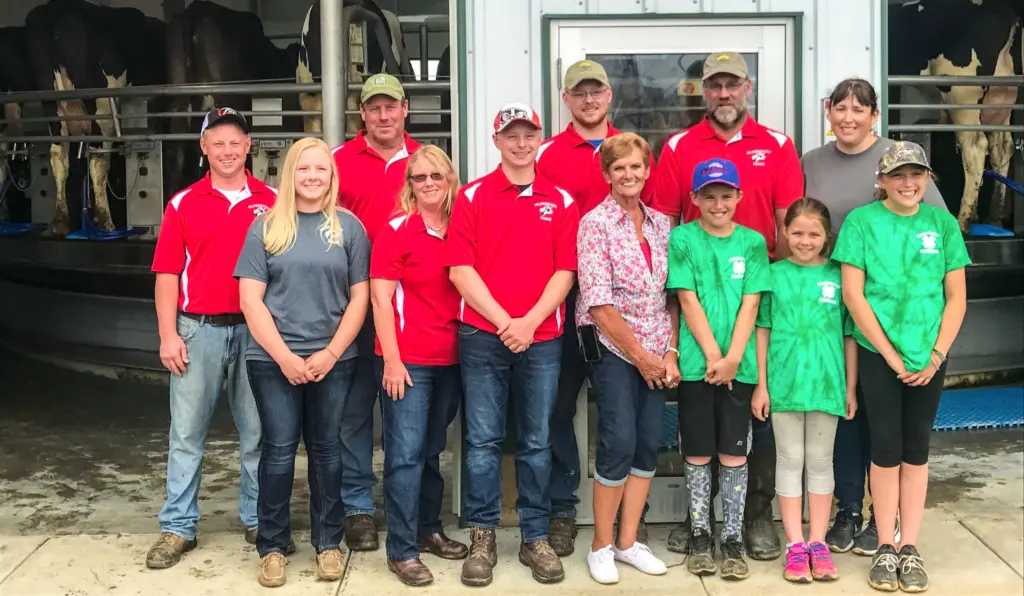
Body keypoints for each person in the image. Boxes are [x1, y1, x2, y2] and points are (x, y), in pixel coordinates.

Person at [653, 50, 803, 560]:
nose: (723, 93)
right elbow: (665, 225)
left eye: (731, 84)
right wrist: (686, 341)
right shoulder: (678, 147)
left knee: (755, 421)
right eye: (713, 85)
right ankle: (700, 526)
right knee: (699, 436)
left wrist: (739, 347)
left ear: (748, 86)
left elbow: (788, 228)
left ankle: (751, 521)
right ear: (702, 91)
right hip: (700, 333)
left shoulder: (778, 146)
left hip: (760, 307)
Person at [801, 78, 948, 556]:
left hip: (892, 310)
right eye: (839, 107)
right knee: (847, 411)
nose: (848, 117)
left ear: (874, 114)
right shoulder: (812, 162)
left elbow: (934, 235)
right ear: (828, 112)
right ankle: (850, 509)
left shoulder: (899, 161)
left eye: (858, 109)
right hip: (834, 300)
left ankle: (884, 524)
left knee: (888, 428)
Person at [446, 102, 579, 587]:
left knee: (537, 441)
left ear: (538, 140)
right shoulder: (474, 196)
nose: (521, 144)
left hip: (542, 338)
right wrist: (507, 323)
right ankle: (483, 535)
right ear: (496, 140)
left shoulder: (561, 200)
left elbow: (566, 271)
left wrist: (530, 323)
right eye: (511, 135)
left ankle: (534, 536)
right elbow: (461, 270)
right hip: (484, 337)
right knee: (481, 440)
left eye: (529, 135)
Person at [831, 141, 969, 593]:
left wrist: (935, 355)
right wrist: (890, 356)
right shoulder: (862, 223)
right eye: (898, 175)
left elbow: (956, 297)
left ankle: (910, 547)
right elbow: (854, 295)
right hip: (878, 354)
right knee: (885, 450)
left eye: (916, 175)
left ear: (927, 178)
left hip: (929, 355)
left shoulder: (942, 223)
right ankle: (885, 544)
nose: (908, 184)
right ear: (882, 180)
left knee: (917, 450)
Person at [534, 59, 658, 553]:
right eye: (578, 93)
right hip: (562, 306)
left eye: (597, 92)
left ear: (610, 97)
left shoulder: (628, 149)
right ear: (566, 99)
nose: (588, 100)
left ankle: (633, 515)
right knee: (558, 409)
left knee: (626, 422)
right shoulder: (545, 153)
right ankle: (564, 507)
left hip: (623, 318)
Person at [234, 137, 370, 588]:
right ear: (289, 173)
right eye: (304, 169)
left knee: (327, 451)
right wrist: (286, 356)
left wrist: (330, 353)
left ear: (333, 177)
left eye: (322, 170)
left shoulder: (349, 229)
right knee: (277, 452)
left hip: (334, 359)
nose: (313, 177)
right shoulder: (266, 228)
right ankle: (272, 547)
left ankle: (328, 542)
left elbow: (360, 298)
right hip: (273, 359)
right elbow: (250, 300)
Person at [146, 107, 277, 570]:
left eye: (235, 141)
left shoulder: (273, 200)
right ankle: (178, 525)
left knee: (258, 432)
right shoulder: (183, 202)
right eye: (217, 142)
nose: (227, 150)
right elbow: (166, 274)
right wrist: (167, 334)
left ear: (249, 146)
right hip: (197, 329)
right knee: (186, 433)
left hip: (255, 330)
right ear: (204, 147)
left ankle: (259, 517)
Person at [575, 132, 678, 585]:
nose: (629, 175)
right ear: (606, 175)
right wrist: (642, 359)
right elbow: (598, 304)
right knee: (617, 441)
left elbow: (671, 296)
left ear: (647, 169)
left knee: (647, 443)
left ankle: (628, 541)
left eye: (636, 166)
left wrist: (668, 352)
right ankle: (601, 545)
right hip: (615, 346)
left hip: (657, 347)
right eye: (619, 168)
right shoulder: (594, 224)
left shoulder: (661, 224)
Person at [667, 158, 771, 581]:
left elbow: (752, 304)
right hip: (696, 366)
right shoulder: (683, 238)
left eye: (726, 195)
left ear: (739, 197)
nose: (718, 203)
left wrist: (732, 359)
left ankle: (731, 536)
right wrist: (713, 357)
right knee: (696, 451)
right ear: (694, 198)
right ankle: (699, 532)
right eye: (708, 196)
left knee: (733, 451)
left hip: (739, 367)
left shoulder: (753, 243)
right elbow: (686, 298)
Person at [370, 144, 468, 586]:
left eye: (436, 176)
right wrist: (391, 359)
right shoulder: (396, 229)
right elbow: (380, 297)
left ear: (450, 179)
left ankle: (429, 530)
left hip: (454, 358)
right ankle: (402, 550)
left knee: (431, 452)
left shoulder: (465, 227)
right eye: (419, 177)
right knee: (405, 456)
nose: (429, 183)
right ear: (409, 185)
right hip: (409, 361)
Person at [331, 73, 422, 551]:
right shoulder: (338, 162)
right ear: (362, 114)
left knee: (407, 413)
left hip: (412, 309)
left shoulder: (425, 162)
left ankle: (411, 509)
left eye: (392, 107)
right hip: (350, 306)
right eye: (374, 108)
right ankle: (359, 507)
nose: (384, 116)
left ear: (405, 109)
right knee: (354, 412)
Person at [751, 197, 856, 584]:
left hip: (827, 384)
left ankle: (818, 542)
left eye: (814, 234)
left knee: (820, 460)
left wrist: (849, 386)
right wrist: (761, 385)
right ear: (784, 232)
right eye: (797, 232)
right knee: (790, 459)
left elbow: (849, 335)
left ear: (827, 237)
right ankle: (795, 543)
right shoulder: (773, 275)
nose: (805, 240)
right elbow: (762, 330)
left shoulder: (839, 276)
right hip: (784, 383)